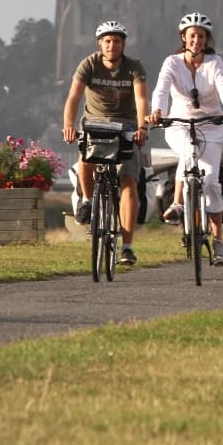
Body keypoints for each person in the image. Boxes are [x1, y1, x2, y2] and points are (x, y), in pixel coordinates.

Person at [145, 12, 223, 266]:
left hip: (211, 125)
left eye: (201, 36)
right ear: (184, 38)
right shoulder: (172, 63)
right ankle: (178, 203)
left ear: (206, 39)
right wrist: (157, 112)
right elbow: (161, 89)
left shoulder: (215, 62)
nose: (196, 40)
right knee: (187, 152)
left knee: (210, 181)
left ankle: (218, 241)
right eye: (192, 36)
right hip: (178, 124)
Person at [62, 20, 148, 266]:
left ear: (123, 44)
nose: (112, 45)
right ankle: (88, 200)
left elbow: (142, 99)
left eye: (117, 41)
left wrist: (143, 128)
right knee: (85, 156)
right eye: (108, 41)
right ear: (100, 43)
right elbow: (73, 98)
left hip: (125, 126)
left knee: (129, 180)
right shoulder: (89, 64)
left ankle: (128, 246)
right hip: (95, 123)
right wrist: (68, 126)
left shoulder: (133, 67)